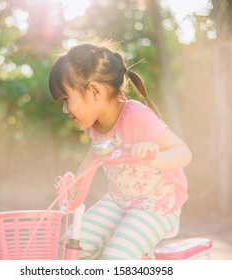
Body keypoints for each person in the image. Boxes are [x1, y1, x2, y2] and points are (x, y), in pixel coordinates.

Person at [48, 41, 192, 260]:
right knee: (74, 243)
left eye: (67, 99)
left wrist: (154, 158)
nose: (64, 109)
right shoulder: (94, 125)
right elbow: (96, 151)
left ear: (95, 91)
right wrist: (77, 180)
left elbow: (183, 153)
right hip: (120, 200)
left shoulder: (135, 116)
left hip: (156, 204)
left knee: (116, 258)